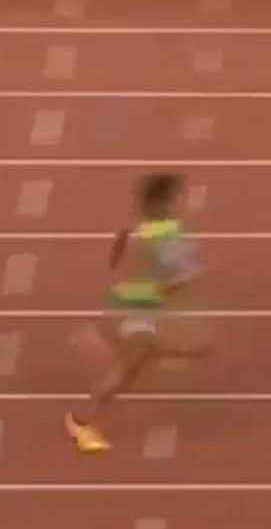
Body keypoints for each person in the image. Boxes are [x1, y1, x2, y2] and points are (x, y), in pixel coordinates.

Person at [65, 171, 206, 454]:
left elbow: (117, 263)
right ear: (166, 199)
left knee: (135, 365)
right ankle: (81, 422)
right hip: (138, 308)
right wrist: (190, 276)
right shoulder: (166, 233)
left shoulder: (134, 229)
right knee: (122, 373)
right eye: (177, 195)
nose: (181, 200)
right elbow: (172, 279)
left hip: (128, 303)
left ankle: (145, 346)